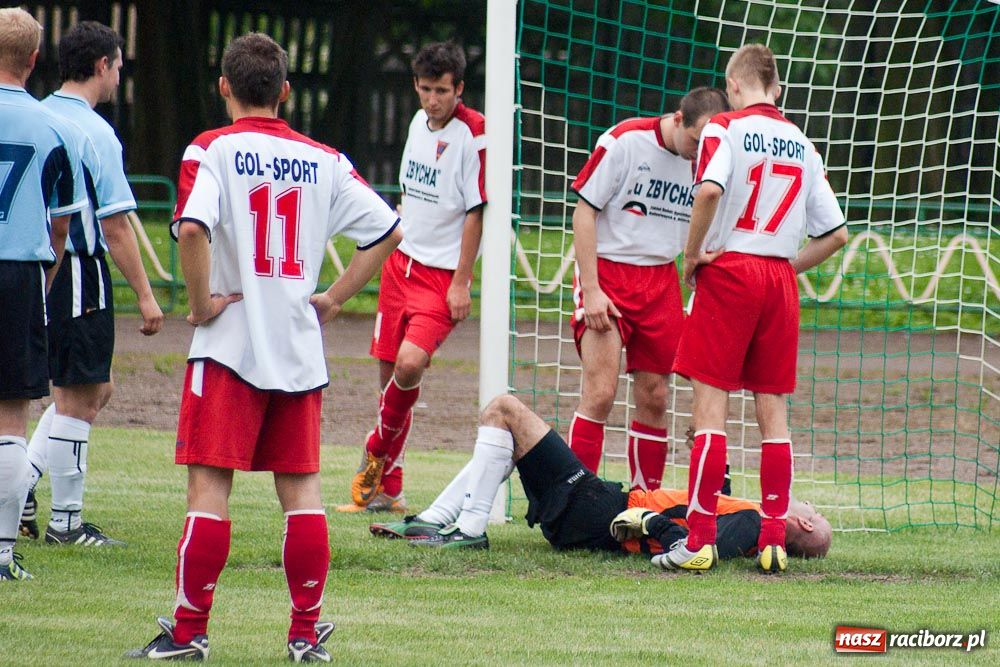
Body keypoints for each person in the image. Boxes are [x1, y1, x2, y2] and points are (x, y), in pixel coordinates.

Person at [126, 33, 401, 662]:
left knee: (208, 491)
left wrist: (200, 306)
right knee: (301, 494)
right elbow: (388, 230)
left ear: (225, 86)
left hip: (228, 347)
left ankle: (189, 633)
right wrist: (334, 298)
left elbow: (191, 228)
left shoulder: (211, 148)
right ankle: (304, 633)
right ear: (286, 92)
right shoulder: (324, 160)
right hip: (297, 351)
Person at [663, 44, 848, 574]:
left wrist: (692, 255)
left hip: (731, 272)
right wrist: (787, 269)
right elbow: (836, 234)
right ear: (777, 88)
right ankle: (772, 542)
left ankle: (699, 540)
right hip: (778, 281)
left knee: (710, 408)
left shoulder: (724, 128)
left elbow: (709, 192)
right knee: (774, 414)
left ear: (734, 86)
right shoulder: (804, 144)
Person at [368, 394, 832, 563]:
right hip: (595, 510)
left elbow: (695, 548)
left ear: (805, 523)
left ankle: (468, 530)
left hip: (599, 511)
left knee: (504, 411)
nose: (806, 502)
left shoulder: (752, 526)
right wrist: (716, 466)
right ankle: (436, 518)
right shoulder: (750, 522)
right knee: (509, 436)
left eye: (812, 508)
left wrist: (647, 522)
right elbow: (706, 517)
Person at [17, 20, 164, 548]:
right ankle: (66, 522)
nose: (120, 76)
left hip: (35, 268)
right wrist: (146, 296)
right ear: (102, 65)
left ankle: (21, 487)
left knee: (93, 387)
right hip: (78, 269)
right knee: (79, 395)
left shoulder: (37, 115)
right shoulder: (95, 132)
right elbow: (117, 226)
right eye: (119, 67)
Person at [338, 41, 486, 514]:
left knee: (409, 366)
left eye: (442, 91)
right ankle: (390, 490)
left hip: (440, 279)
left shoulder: (474, 134)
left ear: (459, 88)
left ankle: (375, 450)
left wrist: (462, 281)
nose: (432, 99)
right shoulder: (416, 124)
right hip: (399, 267)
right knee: (389, 383)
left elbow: (476, 212)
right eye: (425, 89)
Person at [567, 87, 730, 492]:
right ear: (678, 119)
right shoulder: (625, 141)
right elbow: (583, 212)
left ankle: (645, 502)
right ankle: (574, 499)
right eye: (695, 140)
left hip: (660, 280)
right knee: (600, 393)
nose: (699, 151)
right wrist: (592, 289)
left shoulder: (710, 162)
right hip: (608, 273)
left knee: (655, 396)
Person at [0, 7, 87, 582]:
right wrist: (44, 285)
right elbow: (61, 227)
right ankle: (2, 554)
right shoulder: (58, 129)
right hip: (18, 276)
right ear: (34, 60)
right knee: (11, 417)